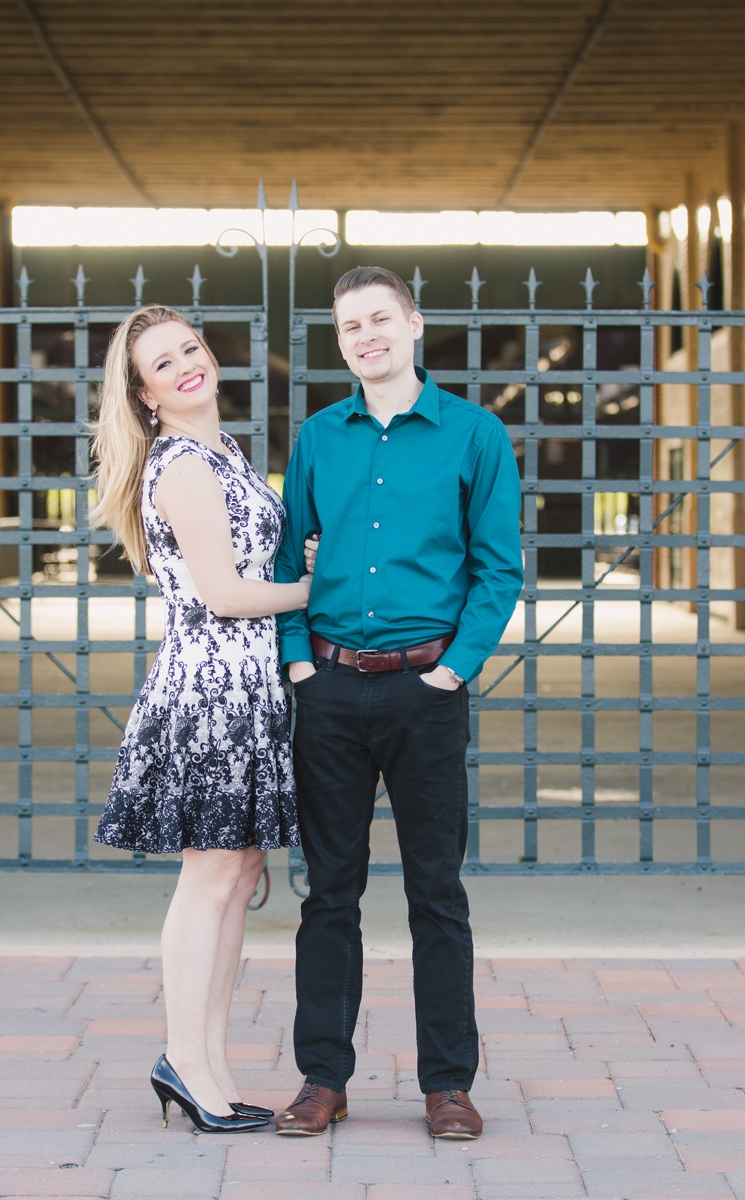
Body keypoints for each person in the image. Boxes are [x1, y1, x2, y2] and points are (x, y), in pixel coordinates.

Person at [272, 266, 522, 1141]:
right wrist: (299, 662)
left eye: (380, 318)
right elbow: (283, 563)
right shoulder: (318, 437)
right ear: (339, 342)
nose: (366, 335)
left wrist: (454, 670)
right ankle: (322, 1078)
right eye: (350, 326)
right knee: (328, 893)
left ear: (415, 324)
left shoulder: (475, 436)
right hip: (330, 692)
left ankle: (447, 1084)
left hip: (426, 692)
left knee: (436, 893)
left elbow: (498, 569)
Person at [90, 304, 312, 1135]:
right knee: (210, 880)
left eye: (190, 348)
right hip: (210, 695)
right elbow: (223, 594)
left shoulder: (227, 451)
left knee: (236, 879)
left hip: (249, 691)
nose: (187, 364)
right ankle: (186, 1060)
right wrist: (316, 594)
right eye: (163, 362)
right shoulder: (182, 462)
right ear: (145, 394)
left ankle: (209, 1065)